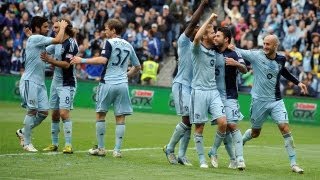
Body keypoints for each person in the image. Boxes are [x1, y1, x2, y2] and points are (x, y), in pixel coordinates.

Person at [234, 34, 308, 174]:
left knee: (285, 128)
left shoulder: (281, 59)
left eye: (268, 44)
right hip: (259, 101)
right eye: (264, 43)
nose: (265, 46)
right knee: (255, 133)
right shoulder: (256, 55)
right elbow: (238, 50)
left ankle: (294, 164)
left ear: (275, 46)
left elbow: (283, 71)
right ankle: (242, 141)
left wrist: (298, 82)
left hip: (276, 101)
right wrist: (227, 44)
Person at [70, 19, 141, 157]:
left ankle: (101, 149)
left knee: (101, 114)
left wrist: (81, 60)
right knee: (120, 117)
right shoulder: (128, 45)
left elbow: (103, 60)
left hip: (108, 82)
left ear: (114, 30)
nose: (105, 31)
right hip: (122, 85)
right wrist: (125, 76)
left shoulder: (109, 42)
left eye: (107, 29)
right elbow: (137, 67)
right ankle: (117, 150)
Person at [163, 0, 208, 166]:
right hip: (182, 84)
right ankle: (169, 148)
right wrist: (203, 5)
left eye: (199, 29)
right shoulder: (184, 41)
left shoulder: (201, 48)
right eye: (195, 28)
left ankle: (181, 154)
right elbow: (194, 22)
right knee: (187, 119)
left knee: (191, 121)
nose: (198, 30)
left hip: (193, 87)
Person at [15, 16, 68, 152]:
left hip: (40, 83)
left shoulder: (36, 40)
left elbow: (52, 45)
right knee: (32, 110)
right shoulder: (35, 39)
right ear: (37, 28)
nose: (48, 28)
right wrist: (62, 27)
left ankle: (22, 132)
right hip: (30, 81)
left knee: (44, 113)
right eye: (45, 26)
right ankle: (27, 143)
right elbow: (58, 40)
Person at [190, 13, 227, 168]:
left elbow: (226, 42)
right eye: (212, 33)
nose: (215, 36)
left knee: (223, 123)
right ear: (205, 35)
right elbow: (197, 36)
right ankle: (202, 160)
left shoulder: (214, 50)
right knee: (199, 127)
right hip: (199, 91)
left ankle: (213, 150)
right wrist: (209, 20)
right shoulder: (197, 48)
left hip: (213, 91)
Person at [40, 19, 79, 154]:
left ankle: (68, 144)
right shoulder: (56, 41)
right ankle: (54, 143)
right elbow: (43, 48)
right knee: (55, 114)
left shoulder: (71, 44)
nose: (54, 29)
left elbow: (67, 64)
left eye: (57, 27)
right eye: (54, 27)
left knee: (64, 113)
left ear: (65, 28)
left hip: (67, 83)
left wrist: (51, 60)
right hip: (55, 82)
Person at [213, 26, 247, 170]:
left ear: (226, 39)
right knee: (224, 126)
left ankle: (240, 159)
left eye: (218, 36)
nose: (215, 37)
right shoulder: (211, 51)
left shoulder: (233, 54)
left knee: (232, 125)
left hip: (230, 95)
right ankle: (233, 159)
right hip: (214, 96)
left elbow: (245, 69)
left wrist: (236, 64)